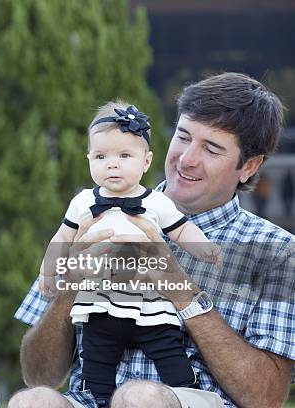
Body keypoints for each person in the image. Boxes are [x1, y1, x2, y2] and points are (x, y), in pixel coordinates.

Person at [9, 73, 294, 408]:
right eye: (183, 137)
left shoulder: (278, 251)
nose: (186, 159)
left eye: (211, 149)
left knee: (138, 398)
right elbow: (38, 373)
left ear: (249, 166)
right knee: (34, 401)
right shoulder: (94, 214)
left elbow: (266, 397)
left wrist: (181, 290)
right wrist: (70, 285)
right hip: (89, 398)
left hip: (193, 401)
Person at [38, 101, 220, 406]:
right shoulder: (83, 202)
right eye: (101, 156)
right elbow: (62, 238)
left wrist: (206, 249)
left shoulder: (157, 203)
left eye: (124, 156)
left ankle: (186, 387)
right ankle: (96, 398)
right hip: (100, 303)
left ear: (146, 162)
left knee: (166, 348)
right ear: (89, 160)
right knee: (96, 355)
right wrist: (47, 273)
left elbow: (182, 230)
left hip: (149, 301)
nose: (112, 164)